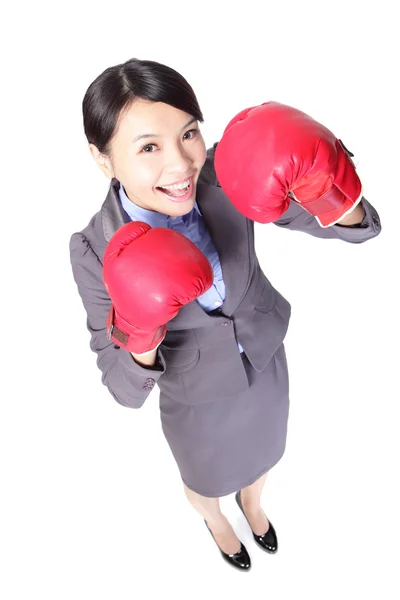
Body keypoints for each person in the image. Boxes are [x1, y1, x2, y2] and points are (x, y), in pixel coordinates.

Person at [69, 57, 382, 572]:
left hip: (265, 356)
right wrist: (141, 329)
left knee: (265, 454)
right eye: (148, 147)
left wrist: (328, 180)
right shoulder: (92, 251)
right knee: (206, 478)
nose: (181, 163)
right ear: (102, 159)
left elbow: (356, 226)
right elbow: (122, 389)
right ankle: (216, 519)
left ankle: (254, 507)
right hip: (196, 398)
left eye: (189, 133)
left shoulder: (224, 171)